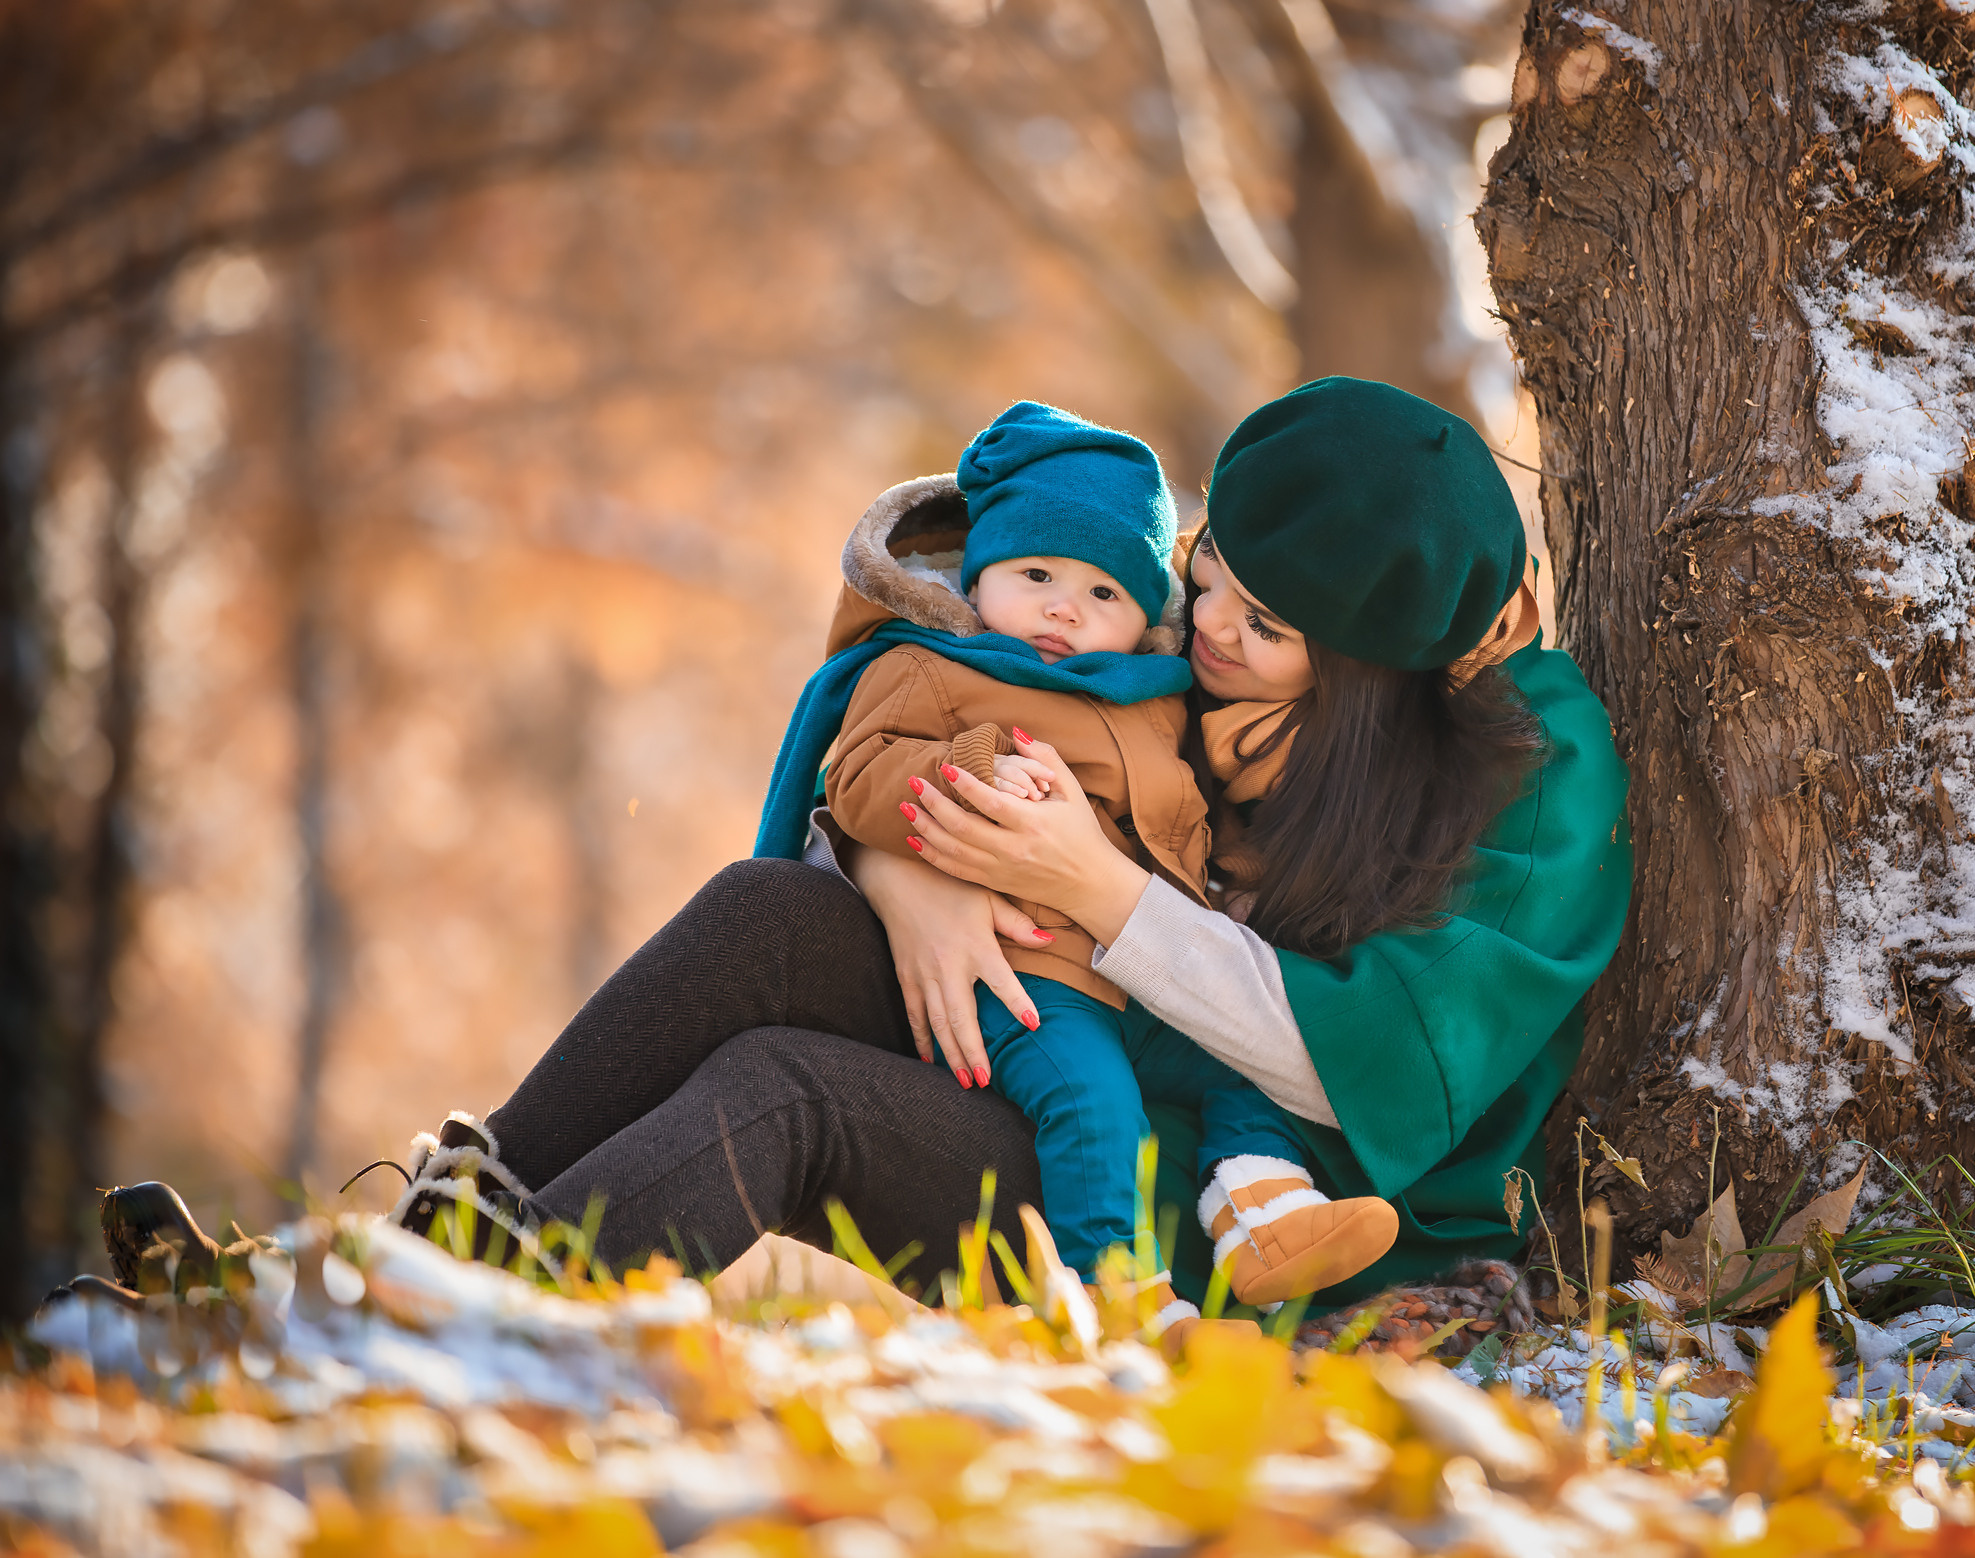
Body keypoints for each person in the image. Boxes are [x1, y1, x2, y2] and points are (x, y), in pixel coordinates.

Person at [83, 378, 1628, 1329]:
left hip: (1209, 1215)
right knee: (767, 914)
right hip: (1061, 1025)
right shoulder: (1202, 667)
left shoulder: (1532, 783)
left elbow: (1368, 1071)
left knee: (787, 1093)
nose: (1202, 623)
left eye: (1262, 624)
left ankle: (412, 1325)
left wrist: (1092, 891)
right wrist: (913, 873)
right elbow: (960, 729)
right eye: (1209, 565)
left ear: (1365, 672)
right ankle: (397, 1261)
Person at [786, 400, 1396, 1314]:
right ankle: (1119, 1303)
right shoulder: (935, 668)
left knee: (1244, 1065)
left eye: (1106, 593)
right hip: (1027, 972)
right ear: (980, 574)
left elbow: (1181, 827)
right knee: (1093, 1102)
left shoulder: (1155, 696)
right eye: (1036, 574)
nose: (1065, 607)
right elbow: (858, 774)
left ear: (1146, 615)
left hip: (1133, 974)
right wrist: (969, 769)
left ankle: (1260, 1207)